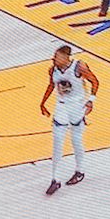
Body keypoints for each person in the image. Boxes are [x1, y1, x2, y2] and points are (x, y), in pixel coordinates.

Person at [40, 43, 98, 194]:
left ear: (66, 58)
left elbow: (95, 82)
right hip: (61, 105)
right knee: (57, 142)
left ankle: (80, 171)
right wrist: (43, 103)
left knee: (76, 140)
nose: (53, 58)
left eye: (57, 57)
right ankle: (55, 179)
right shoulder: (53, 69)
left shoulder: (79, 67)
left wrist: (91, 100)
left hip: (77, 105)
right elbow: (51, 86)